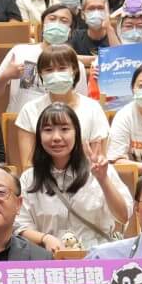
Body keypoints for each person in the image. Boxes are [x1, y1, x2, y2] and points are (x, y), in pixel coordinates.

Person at [15, 102, 131, 251]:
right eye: (48, 130)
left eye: (64, 129)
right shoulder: (29, 178)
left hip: (95, 255)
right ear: (39, 136)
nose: (56, 137)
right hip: (49, 256)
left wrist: (103, 180)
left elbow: (123, 217)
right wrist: (45, 238)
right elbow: (20, 226)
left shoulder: (101, 170)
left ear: (77, 133)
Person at [12, 44, 109, 168]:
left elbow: (99, 160)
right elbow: (28, 165)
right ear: (41, 74)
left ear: (74, 70)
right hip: (42, 177)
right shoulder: (29, 110)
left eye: (62, 68)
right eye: (49, 70)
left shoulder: (93, 108)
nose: (56, 74)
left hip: (85, 176)